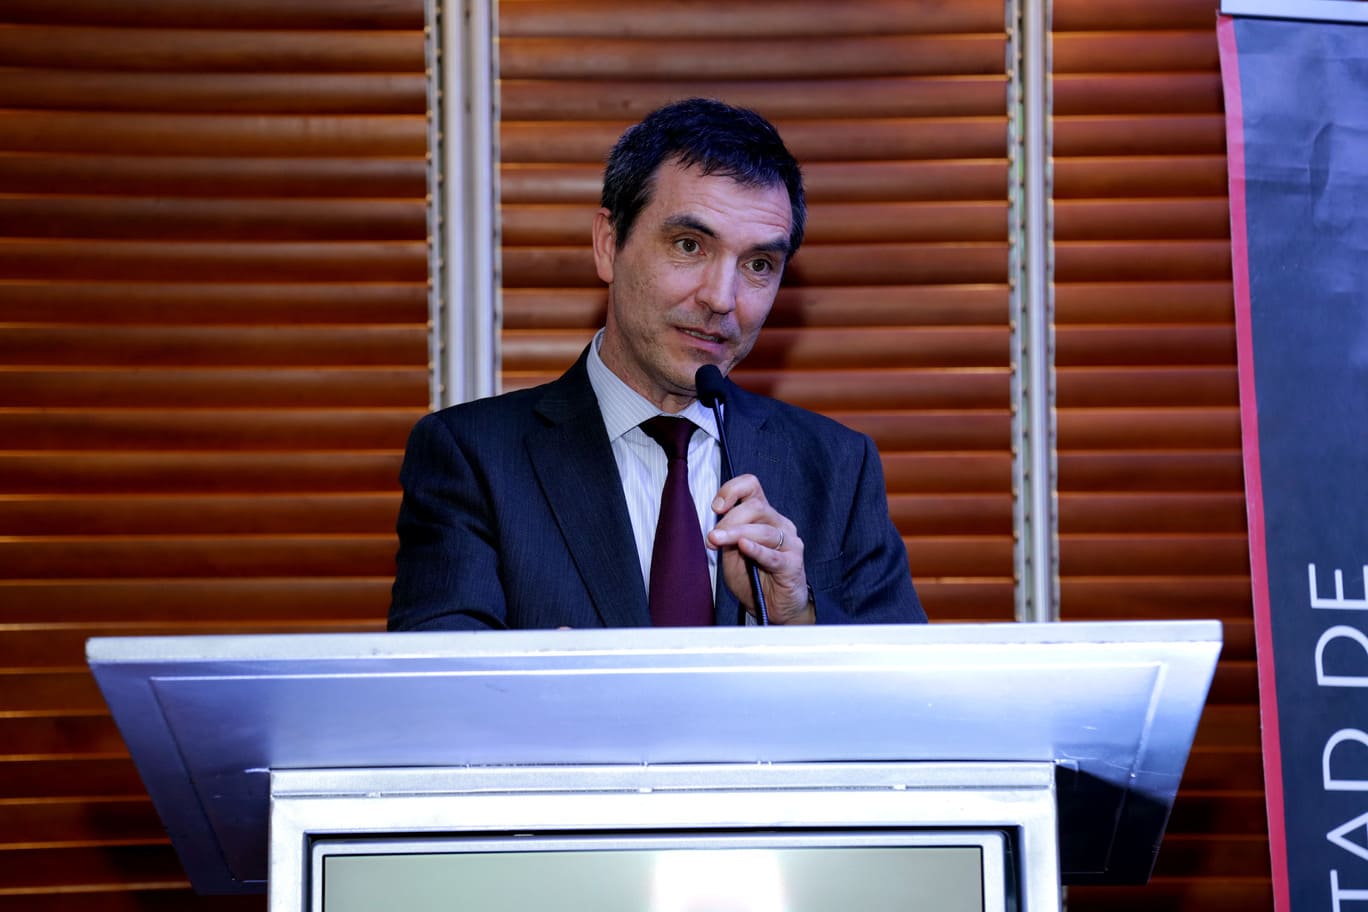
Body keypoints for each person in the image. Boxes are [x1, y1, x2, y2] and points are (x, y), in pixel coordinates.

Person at [389, 98, 925, 630]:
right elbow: (438, 677)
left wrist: (796, 616)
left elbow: (903, 679)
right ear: (609, 245)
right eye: (689, 246)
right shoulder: (474, 458)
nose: (722, 298)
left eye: (759, 264)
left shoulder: (837, 467)